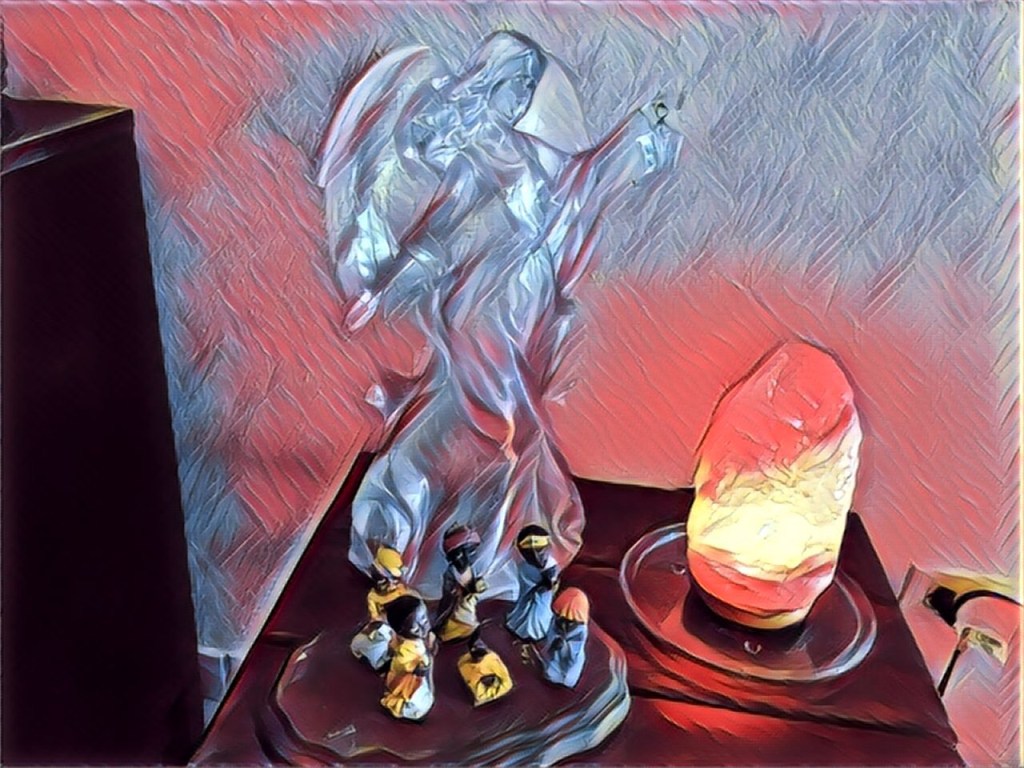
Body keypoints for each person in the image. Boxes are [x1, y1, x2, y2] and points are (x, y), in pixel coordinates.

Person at [318, 32, 681, 602]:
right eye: (516, 84)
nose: (523, 97)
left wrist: (637, 135)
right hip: (477, 309)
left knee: (509, 418)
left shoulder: (532, 155)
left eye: (528, 87)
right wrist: (384, 285)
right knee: (497, 423)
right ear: (491, 85)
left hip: (523, 303)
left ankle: (467, 536)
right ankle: (442, 537)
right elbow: (438, 242)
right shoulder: (471, 159)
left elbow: (579, 190)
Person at [350, 545, 409, 670]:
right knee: (361, 643)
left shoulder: (402, 592)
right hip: (382, 629)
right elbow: (375, 618)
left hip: (397, 632)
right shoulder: (373, 595)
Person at [380, 595, 437, 720]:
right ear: (401, 631)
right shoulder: (406, 654)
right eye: (415, 629)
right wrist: (426, 662)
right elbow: (405, 671)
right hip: (407, 681)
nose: (423, 628)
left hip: (413, 668)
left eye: (425, 620)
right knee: (414, 698)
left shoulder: (413, 641)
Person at [505, 525, 560, 641]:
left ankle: (535, 629)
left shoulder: (552, 565)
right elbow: (526, 587)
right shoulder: (525, 568)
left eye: (540, 550)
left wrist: (549, 584)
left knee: (540, 614)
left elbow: (551, 586)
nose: (536, 555)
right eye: (530, 552)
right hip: (525, 602)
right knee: (524, 611)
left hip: (542, 605)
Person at [434, 525, 486, 642]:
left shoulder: (471, 569)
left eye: (471, 551)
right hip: (457, 607)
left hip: (468, 604)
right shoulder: (451, 573)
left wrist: (477, 584)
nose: (466, 557)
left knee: (469, 618)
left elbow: (474, 581)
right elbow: (449, 592)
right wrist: (460, 591)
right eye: (459, 555)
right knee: (458, 621)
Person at [536, 587, 589, 688]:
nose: (565, 624)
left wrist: (563, 646)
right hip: (548, 659)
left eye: (571, 622)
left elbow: (573, 656)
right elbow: (549, 635)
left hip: (564, 672)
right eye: (562, 618)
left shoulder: (580, 631)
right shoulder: (557, 620)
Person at [456, 630, 514, 706]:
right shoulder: (492, 658)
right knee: (508, 684)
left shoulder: (463, 661)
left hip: (478, 684)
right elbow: (504, 676)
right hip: (481, 688)